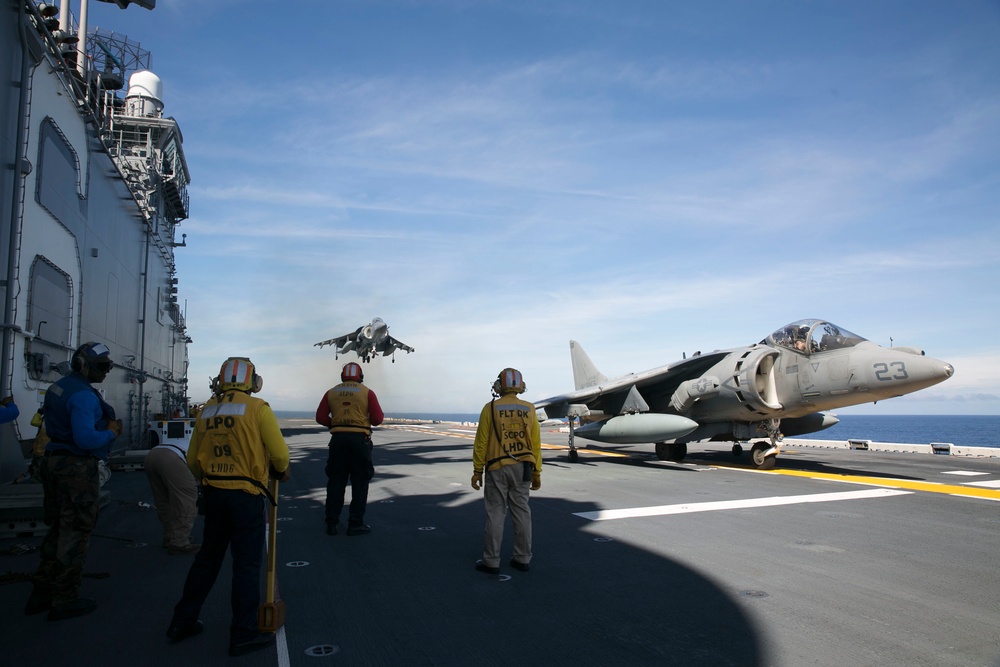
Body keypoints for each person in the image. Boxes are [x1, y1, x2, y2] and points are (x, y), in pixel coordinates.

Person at [166, 357, 290, 657]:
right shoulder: (258, 408)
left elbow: (193, 460)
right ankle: (243, 634)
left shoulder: (207, 410)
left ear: (220, 380)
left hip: (214, 495)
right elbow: (280, 455)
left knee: (207, 560)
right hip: (246, 496)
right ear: (253, 381)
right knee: (246, 566)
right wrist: (278, 471)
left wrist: (211, 479)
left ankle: (182, 621)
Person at [24, 342, 122, 620]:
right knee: (75, 531)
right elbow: (86, 438)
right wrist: (112, 433)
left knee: (57, 527)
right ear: (81, 365)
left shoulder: (59, 387)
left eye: (108, 366)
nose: (106, 372)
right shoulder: (83, 396)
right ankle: (64, 598)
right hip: (76, 468)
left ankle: (42, 591)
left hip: (53, 462)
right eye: (101, 367)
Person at [471, 368, 541, 574]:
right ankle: (522, 558)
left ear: (499, 385)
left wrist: (477, 470)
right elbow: (535, 444)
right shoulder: (529, 409)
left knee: (495, 513)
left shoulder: (490, 408)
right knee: (522, 512)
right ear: (521, 386)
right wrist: (537, 472)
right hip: (523, 467)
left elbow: (481, 442)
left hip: (496, 467)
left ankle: (491, 561)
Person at [315, 361, 383, 536]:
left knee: (336, 482)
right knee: (360, 483)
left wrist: (335, 423)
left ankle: (332, 523)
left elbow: (320, 417)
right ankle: (355, 524)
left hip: (338, 441)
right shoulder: (367, 392)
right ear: (360, 376)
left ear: (342, 376)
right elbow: (377, 419)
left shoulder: (331, 392)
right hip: (360, 442)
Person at [145, 431, 200, 555]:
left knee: (164, 500)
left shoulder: (192, 439)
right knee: (187, 500)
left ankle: (169, 537)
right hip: (172, 458)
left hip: (152, 455)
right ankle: (179, 542)